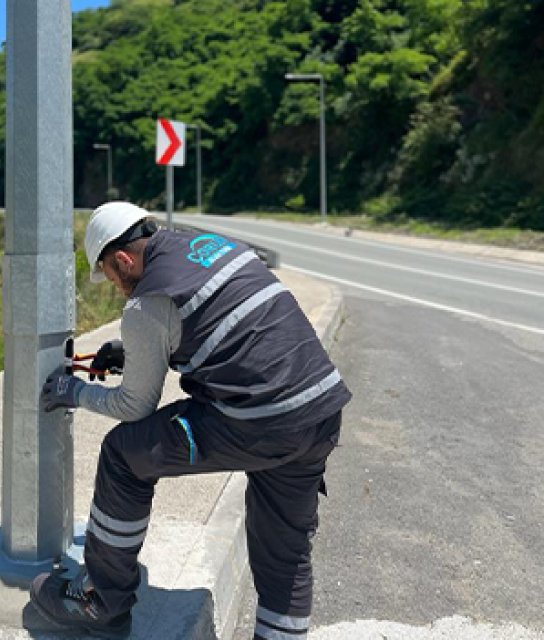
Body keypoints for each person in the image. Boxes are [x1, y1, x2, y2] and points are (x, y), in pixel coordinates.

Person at [31, 202, 351, 639]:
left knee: (123, 455)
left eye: (110, 276)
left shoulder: (146, 304)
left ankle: (100, 602)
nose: (115, 287)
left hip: (257, 422)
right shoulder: (211, 245)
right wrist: (132, 352)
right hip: (317, 410)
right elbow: (227, 325)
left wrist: (74, 392)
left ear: (122, 260)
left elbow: (133, 407)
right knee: (284, 549)